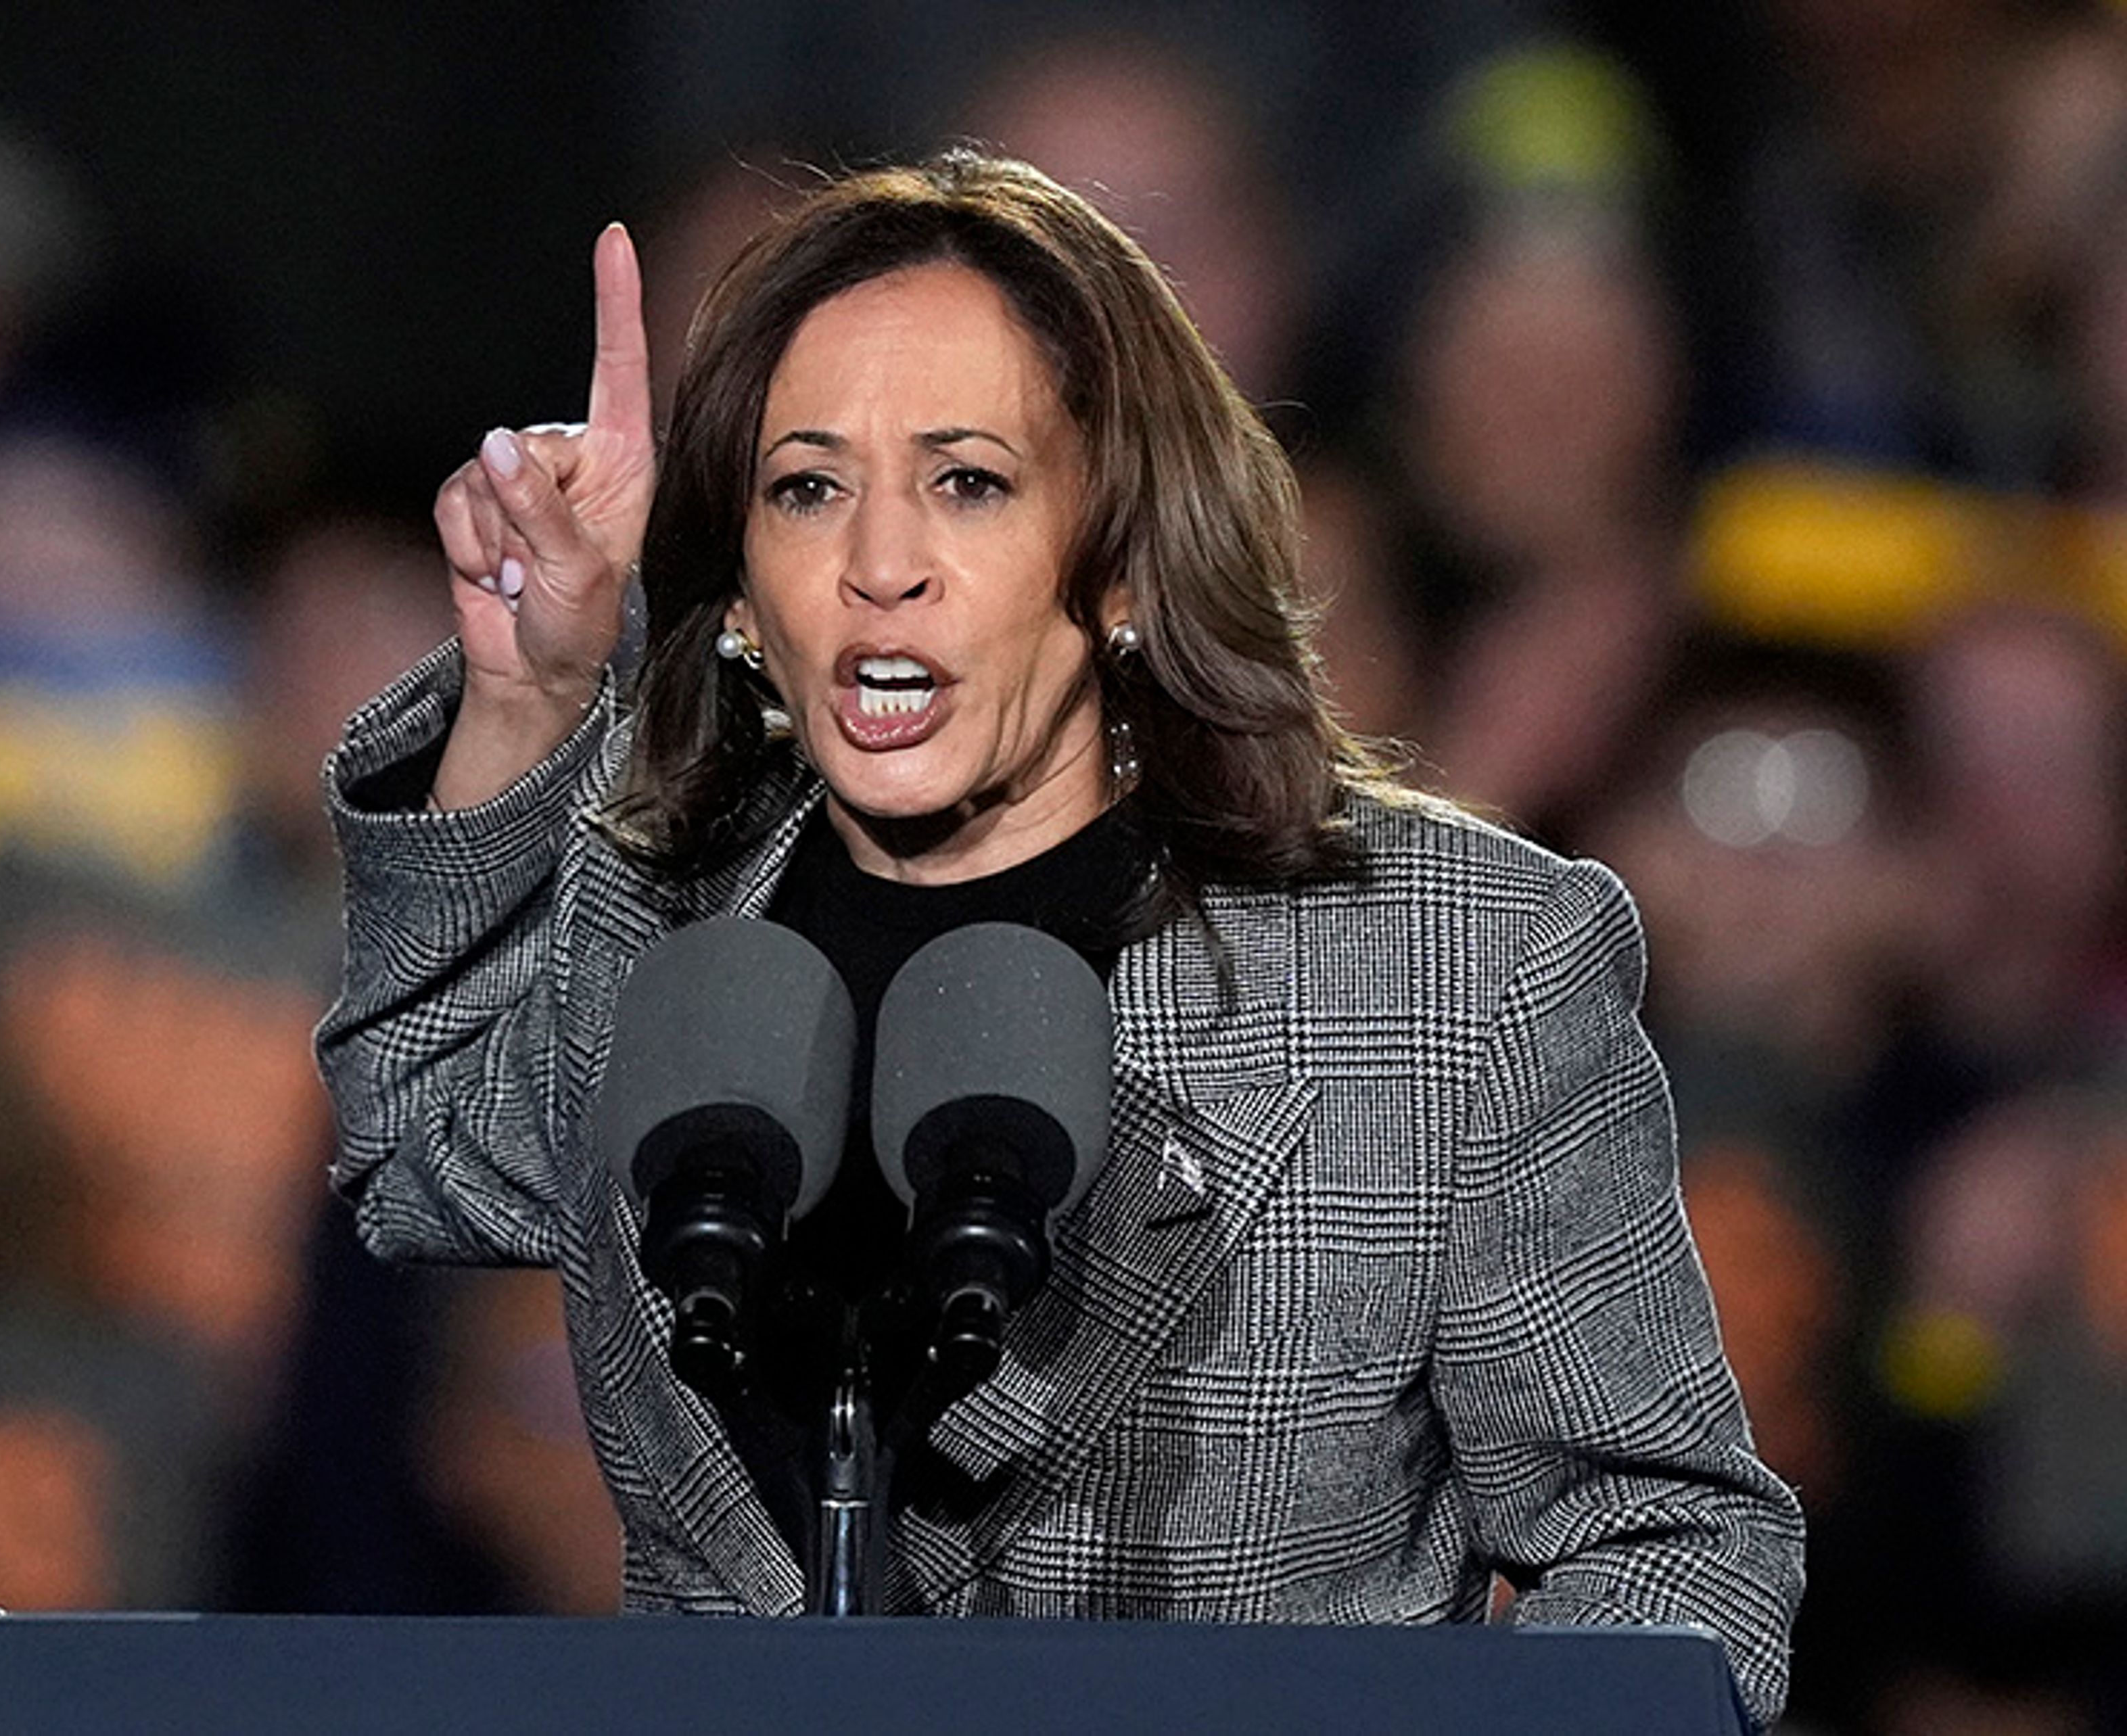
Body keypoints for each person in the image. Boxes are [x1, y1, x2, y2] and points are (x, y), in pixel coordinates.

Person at [317, 152, 1804, 1729]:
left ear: (1113, 561)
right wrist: (532, 697)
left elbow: (1667, 1541)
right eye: (806, 486)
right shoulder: (666, 922)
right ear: (745, 590)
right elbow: (413, 1157)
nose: (880, 564)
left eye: (969, 480)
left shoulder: (1455, 966)